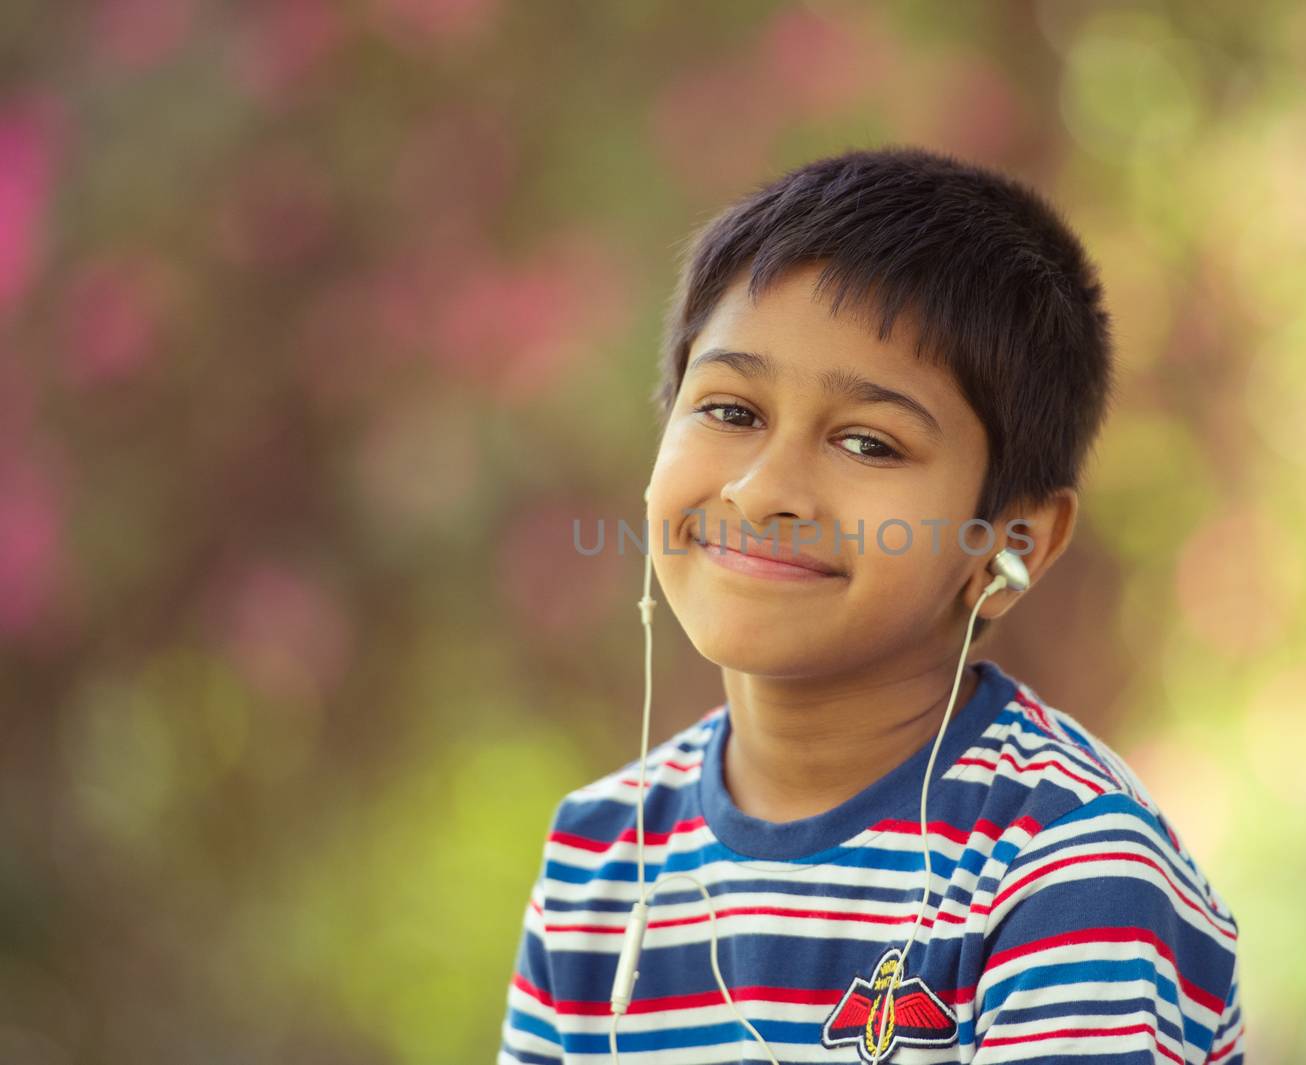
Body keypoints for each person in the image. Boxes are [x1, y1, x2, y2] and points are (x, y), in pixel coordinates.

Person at [496, 146, 1244, 1064]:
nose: (764, 490)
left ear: (1008, 542)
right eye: (731, 411)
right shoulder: (601, 857)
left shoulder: (1063, 864)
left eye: (868, 443)